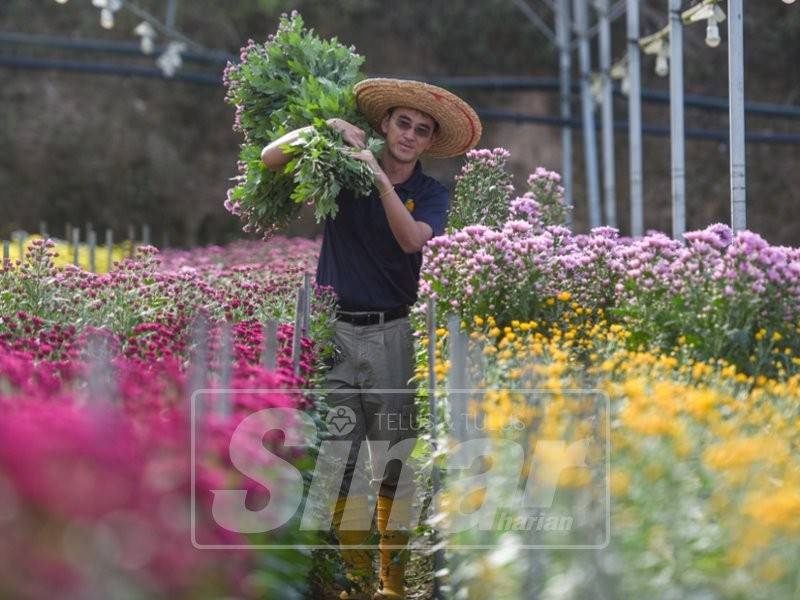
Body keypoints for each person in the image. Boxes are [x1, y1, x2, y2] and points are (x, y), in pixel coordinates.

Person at [262, 78, 481, 600]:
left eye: (421, 130)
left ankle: (393, 583)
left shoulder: (430, 193)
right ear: (384, 124)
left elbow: (411, 241)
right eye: (402, 123)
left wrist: (378, 176)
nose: (409, 135)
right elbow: (271, 156)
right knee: (340, 459)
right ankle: (357, 581)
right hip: (335, 330)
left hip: (394, 333)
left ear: (429, 143)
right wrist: (324, 130)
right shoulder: (341, 166)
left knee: (394, 460)